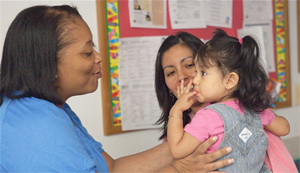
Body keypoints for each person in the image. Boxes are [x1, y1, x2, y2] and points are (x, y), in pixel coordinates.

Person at [0, 5, 233, 172]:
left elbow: (111, 167)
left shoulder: (55, 109)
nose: (99, 58)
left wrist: (196, 137)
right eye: (87, 52)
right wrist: (179, 169)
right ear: (48, 64)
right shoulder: (35, 128)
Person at [167, 29, 290, 172]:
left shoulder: (207, 117)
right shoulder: (255, 110)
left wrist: (176, 110)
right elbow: (284, 128)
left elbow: (177, 150)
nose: (195, 79)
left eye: (203, 73)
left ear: (230, 80)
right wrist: (263, 110)